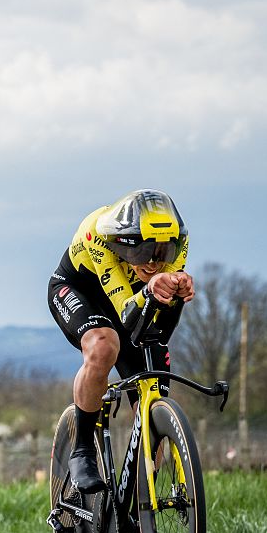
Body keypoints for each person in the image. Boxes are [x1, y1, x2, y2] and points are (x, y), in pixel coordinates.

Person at [47, 189, 192, 495]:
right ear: (123, 242)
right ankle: (82, 451)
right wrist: (153, 290)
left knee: (153, 384)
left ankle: (143, 519)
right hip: (83, 292)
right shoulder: (98, 232)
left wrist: (175, 297)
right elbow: (125, 313)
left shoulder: (180, 241)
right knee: (104, 345)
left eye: (162, 253)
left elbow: (159, 331)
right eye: (143, 253)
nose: (153, 263)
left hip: (136, 298)